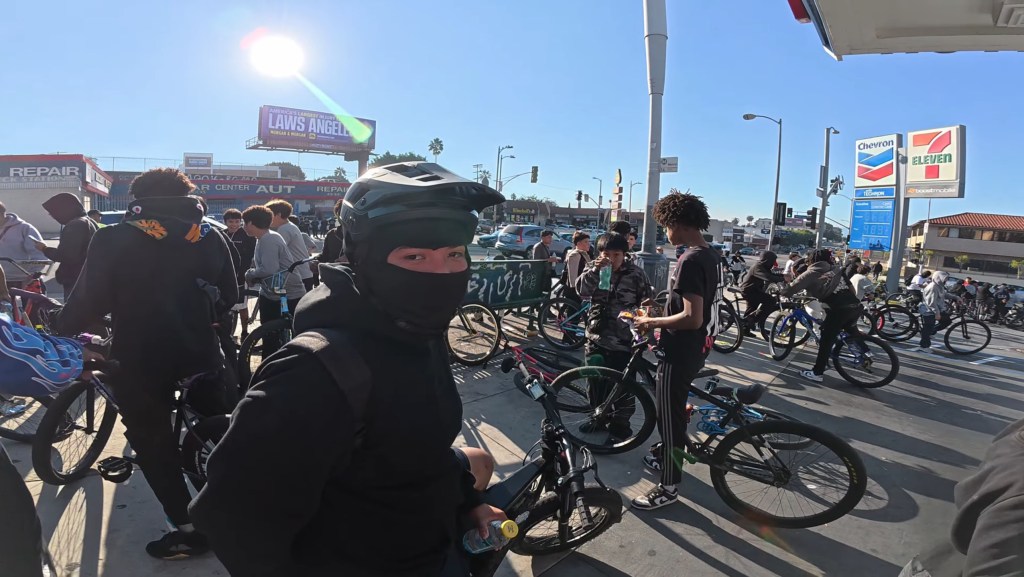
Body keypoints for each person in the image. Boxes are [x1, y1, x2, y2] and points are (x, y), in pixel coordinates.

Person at [190, 162, 507, 576]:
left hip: (432, 545)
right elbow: (232, 516)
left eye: (454, 254)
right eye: (414, 255)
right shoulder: (315, 370)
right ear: (368, 260)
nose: (441, 273)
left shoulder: (416, 334)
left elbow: (417, 456)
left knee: (478, 459)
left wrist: (468, 503)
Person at [55, 168, 238, 559]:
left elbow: (88, 302)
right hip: (202, 351)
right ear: (188, 196)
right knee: (217, 438)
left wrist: (61, 328)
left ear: (137, 197)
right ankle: (235, 514)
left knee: (152, 442)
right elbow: (230, 295)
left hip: (139, 357)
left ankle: (187, 530)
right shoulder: (211, 233)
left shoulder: (114, 237)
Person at [631, 192, 719, 510]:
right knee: (676, 412)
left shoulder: (689, 260)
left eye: (665, 226)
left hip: (680, 350)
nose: (666, 233)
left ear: (677, 224)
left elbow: (691, 317)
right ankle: (664, 456)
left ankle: (668, 488)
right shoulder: (710, 254)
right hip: (699, 348)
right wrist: (660, 306)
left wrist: (651, 322)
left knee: (668, 420)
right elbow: (697, 306)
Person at [576, 232, 652, 442]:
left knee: (622, 386)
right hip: (596, 336)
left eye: (616, 254)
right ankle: (598, 418)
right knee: (594, 381)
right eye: (606, 253)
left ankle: (620, 427)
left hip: (623, 341)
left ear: (624, 254)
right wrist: (595, 270)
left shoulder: (636, 274)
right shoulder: (595, 268)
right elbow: (581, 290)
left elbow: (647, 303)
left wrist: (643, 331)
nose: (611, 258)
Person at [779, 249, 860, 383]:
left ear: (811, 260)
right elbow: (851, 289)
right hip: (855, 306)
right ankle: (865, 352)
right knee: (850, 330)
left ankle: (817, 373)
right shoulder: (836, 269)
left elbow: (791, 288)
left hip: (839, 309)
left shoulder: (811, 272)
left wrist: (781, 291)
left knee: (826, 340)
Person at [241, 205, 307, 356]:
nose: (244, 227)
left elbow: (268, 269)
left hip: (285, 292)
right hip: (275, 290)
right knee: (274, 334)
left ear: (251, 223)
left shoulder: (268, 240)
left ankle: (270, 367)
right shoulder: (267, 236)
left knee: (272, 336)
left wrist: (249, 274)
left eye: (244, 223)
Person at [36, 193, 98, 297]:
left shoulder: (75, 225)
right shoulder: (89, 221)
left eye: (53, 212)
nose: (51, 215)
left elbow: (66, 255)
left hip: (76, 279)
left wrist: (44, 249)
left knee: (75, 311)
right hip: (88, 276)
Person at [265, 199, 315, 292]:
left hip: (298, 276)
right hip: (303, 274)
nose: (268, 219)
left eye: (270, 215)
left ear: (278, 215)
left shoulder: (284, 229)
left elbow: (276, 252)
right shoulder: (290, 226)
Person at [224, 209, 257, 341]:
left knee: (242, 306)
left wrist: (246, 274)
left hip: (241, 277)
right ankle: (228, 333)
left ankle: (244, 332)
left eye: (237, 221)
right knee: (227, 307)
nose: (234, 224)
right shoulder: (222, 234)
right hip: (226, 277)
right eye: (231, 221)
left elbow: (250, 257)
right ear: (225, 222)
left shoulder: (247, 236)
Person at [0, 201, 48, 289]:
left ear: (2, 213)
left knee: (35, 301)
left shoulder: (25, 228)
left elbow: (39, 255)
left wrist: (32, 275)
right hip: (1, 280)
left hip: (23, 279)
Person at [738, 250, 785, 336]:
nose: (773, 264)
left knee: (751, 309)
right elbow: (768, 277)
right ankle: (754, 320)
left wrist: (783, 276)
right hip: (749, 291)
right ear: (768, 260)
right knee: (770, 300)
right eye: (772, 261)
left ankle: (745, 329)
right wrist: (783, 279)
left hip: (755, 290)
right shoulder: (758, 266)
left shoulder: (763, 266)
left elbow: (772, 275)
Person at [915, 270, 950, 352]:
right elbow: (931, 303)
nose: (946, 280)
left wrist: (956, 298)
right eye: (945, 278)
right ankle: (924, 346)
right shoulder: (933, 287)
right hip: (928, 310)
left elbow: (944, 295)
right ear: (939, 278)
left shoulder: (939, 286)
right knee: (927, 327)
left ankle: (932, 331)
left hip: (934, 309)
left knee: (946, 320)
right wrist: (937, 313)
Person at [561, 231, 591, 303]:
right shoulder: (575, 255)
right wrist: (576, 290)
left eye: (588, 242)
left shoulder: (583, 254)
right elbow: (573, 276)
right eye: (586, 242)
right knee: (573, 311)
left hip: (581, 286)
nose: (588, 244)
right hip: (575, 290)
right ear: (578, 243)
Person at [316, 199, 347, 264]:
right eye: (339, 213)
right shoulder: (331, 234)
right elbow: (324, 256)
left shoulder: (363, 235)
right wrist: (316, 261)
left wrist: (349, 258)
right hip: (333, 272)